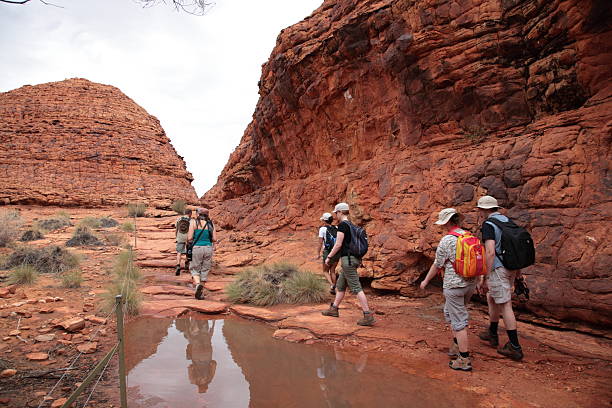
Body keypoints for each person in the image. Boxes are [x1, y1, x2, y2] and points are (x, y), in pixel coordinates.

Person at [420, 208, 477, 371]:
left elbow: (437, 264)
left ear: (447, 222)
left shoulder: (447, 240)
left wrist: (425, 280)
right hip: (470, 284)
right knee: (450, 312)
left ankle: (464, 359)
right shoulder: (470, 236)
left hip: (454, 285)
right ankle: (456, 345)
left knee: (459, 321)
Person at [476, 195, 524, 361]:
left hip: (498, 268)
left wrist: (486, 276)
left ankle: (515, 346)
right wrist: (518, 272)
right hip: (511, 266)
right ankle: (492, 332)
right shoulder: (507, 221)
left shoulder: (489, 224)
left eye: (480, 209)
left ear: (484, 209)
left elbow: (489, 252)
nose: (479, 212)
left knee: (505, 305)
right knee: (492, 298)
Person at [321, 203, 374, 326]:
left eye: (336, 213)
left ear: (340, 212)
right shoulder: (351, 225)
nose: (335, 215)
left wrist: (329, 257)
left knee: (356, 287)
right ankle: (334, 309)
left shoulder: (343, 226)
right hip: (353, 259)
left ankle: (368, 315)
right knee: (340, 285)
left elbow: (338, 244)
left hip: (348, 260)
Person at [187, 208, 215, 300]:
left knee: (194, 269)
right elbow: (214, 239)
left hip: (197, 248)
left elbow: (190, 237)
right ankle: (200, 292)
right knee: (205, 270)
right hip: (208, 248)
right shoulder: (211, 224)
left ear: (198, 214)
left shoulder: (193, 222)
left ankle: (198, 285)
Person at [318, 212, 340, 295]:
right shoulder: (337, 227)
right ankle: (334, 286)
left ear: (324, 220)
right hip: (336, 251)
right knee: (333, 270)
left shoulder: (322, 229)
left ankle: (332, 286)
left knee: (325, 271)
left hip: (327, 252)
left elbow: (320, 242)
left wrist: (318, 253)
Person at [175, 208, 192, 276]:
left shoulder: (179, 219)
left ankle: (178, 265)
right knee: (188, 251)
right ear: (190, 213)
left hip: (180, 237)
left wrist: (176, 236)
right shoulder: (191, 220)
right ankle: (186, 264)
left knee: (179, 252)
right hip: (188, 237)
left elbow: (176, 229)